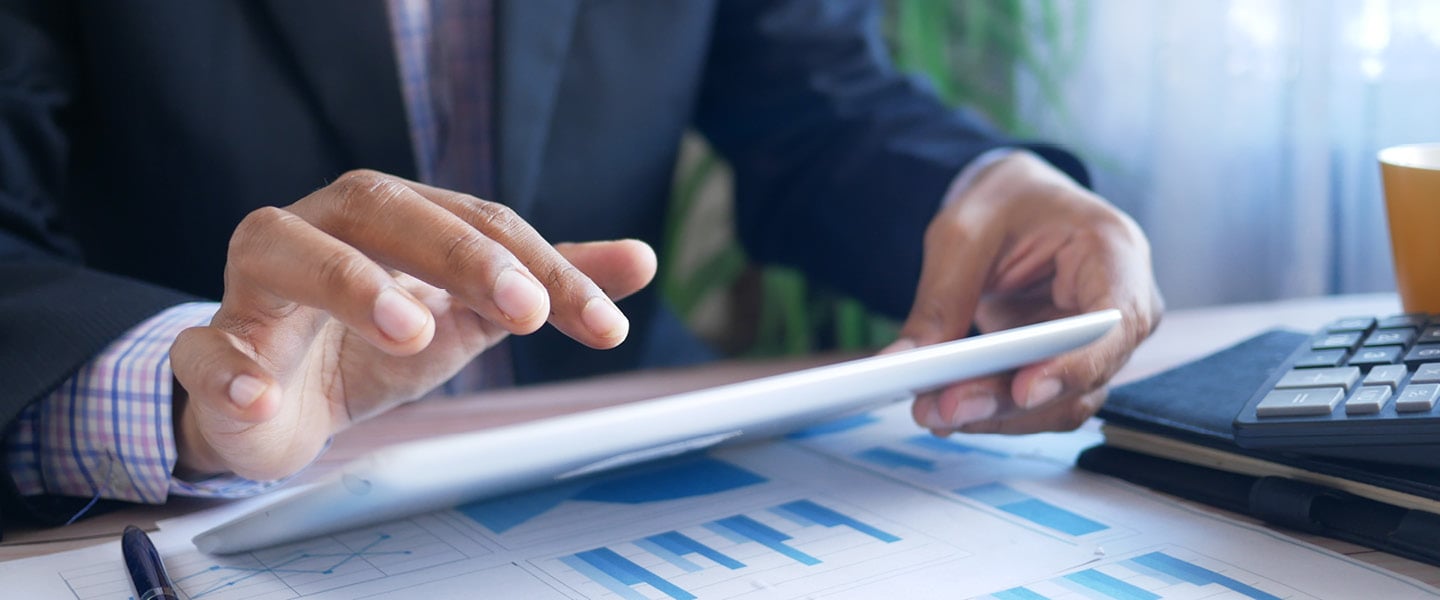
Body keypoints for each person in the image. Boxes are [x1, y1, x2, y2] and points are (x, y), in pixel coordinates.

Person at [0, 0, 1162, 528]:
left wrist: (987, 193)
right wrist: (206, 385)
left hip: (625, 455)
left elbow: (820, 99)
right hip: (204, 503)